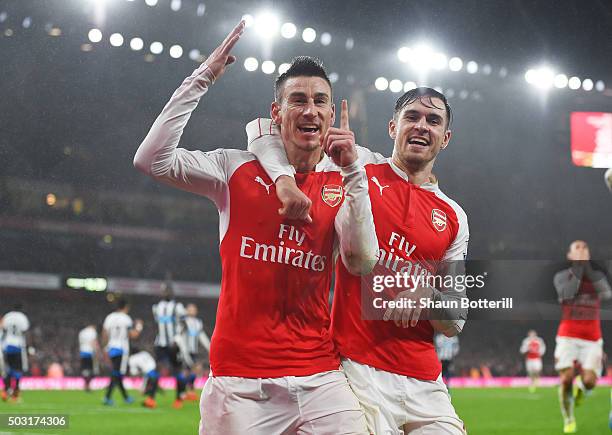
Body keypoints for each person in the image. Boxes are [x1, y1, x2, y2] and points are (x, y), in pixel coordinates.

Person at [133, 21, 377, 434]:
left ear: (332, 114)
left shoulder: (347, 173)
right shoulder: (234, 169)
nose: (310, 110)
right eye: (297, 100)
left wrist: (353, 168)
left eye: (320, 101)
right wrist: (201, 78)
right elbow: (152, 160)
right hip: (240, 381)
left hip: (318, 374)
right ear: (276, 113)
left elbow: (362, 257)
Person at [247, 86, 469, 434]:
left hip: (425, 381)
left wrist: (428, 297)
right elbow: (262, 130)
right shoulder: (359, 165)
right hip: (357, 370)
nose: (422, 126)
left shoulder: (454, 216)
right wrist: (284, 179)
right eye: (412, 117)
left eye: (433, 120)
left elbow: (456, 317)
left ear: (446, 138)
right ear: (393, 127)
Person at [553, 240, 612, 434]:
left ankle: (581, 388)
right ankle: (569, 419)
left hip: (592, 338)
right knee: (566, 377)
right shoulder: (561, 277)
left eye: (584, 247)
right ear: (570, 256)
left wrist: (587, 268)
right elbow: (567, 293)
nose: (581, 250)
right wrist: (579, 268)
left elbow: (606, 293)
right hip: (567, 336)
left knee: (589, 382)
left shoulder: (596, 277)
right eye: (577, 248)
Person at [152, 282, 187, 408]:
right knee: (158, 368)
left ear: (172, 292)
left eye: (168, 290)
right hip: (160, 343)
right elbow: (158, 324)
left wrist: (177, 338)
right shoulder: (156, 307)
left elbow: (184, 325)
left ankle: (178, 399)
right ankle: (151, 398)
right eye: (164, 291)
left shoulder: (178, 306)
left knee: (177, 371)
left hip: (174, 344)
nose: (166, 292)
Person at [102, 298, 143, 406]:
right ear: (126, 307)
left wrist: (105, 347)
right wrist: (139, 327)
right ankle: (107, 397)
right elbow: (133, 335)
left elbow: (104, 333)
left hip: (111, 347)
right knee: (117, 373)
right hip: (121, 348)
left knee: (117, 373)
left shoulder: (109, 317)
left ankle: (126, 397)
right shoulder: (126, 319)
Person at [175, 303, 210, 401]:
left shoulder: (198, 322)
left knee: (193, 372)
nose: (192, 311)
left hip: (193, 351)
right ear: (186, 310)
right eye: (190, 309)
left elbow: (202, 337)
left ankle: (190, 392)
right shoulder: (183, 321)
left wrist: (210, 348)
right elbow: (179, 335)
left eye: (193, 309)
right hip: (184, 351)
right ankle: (179, 397)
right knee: (184, 373)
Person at [1, 304, 30, 402]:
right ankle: (15, 393)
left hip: (7, 346)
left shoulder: (7, 316)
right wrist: (29, 346)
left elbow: (4, 330)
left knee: (7, 369)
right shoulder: (22, 317)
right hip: (18, 346)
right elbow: (25, 331)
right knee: (17, 369)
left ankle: (5, 391)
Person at [78, 324, 100, 392]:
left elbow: (80, 343)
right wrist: (97, 351)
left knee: (85, 370)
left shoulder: (81, 332)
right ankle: (88, 385)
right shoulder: (92, 332)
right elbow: (93, 342)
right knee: (93, 370)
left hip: (82, 352)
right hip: (90, 353)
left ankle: (86, 385)